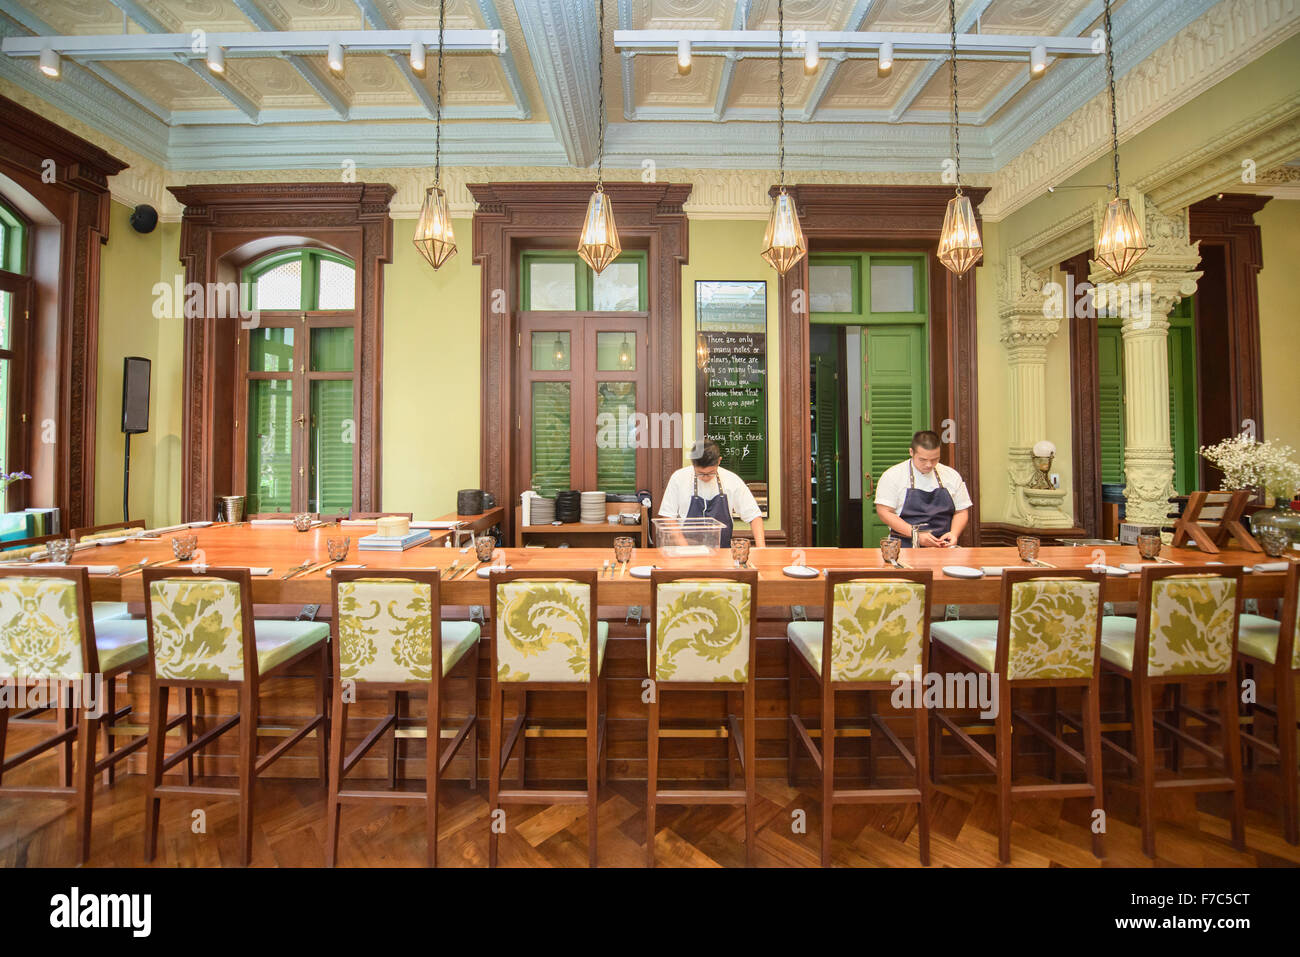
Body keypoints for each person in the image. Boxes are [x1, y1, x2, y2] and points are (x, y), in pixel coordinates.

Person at [874, 430, 972, 548]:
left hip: (943, 546)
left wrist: (954, 533)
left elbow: (961, 511)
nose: (929, 465)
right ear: (911, 452)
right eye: (923, 460)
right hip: (905, 546)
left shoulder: (951, 475)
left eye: (935, 459)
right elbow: (884, 512)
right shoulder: (892, 475)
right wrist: (916, 535)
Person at [658, 440, 765, 548]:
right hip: (687, 551)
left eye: (710, 473)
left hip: (722, 553)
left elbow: (754, 516)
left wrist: (762, 549)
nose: (705, 477)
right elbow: (668, 516)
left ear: (719, 461)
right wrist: (686, 548)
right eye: (700, 473)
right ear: (693, 463)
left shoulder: (732, 480)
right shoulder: (679, 478)